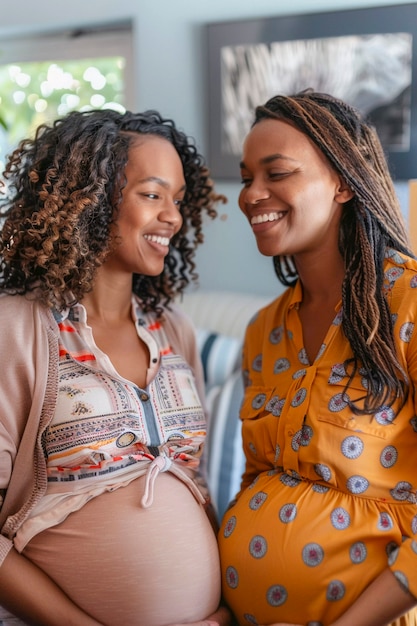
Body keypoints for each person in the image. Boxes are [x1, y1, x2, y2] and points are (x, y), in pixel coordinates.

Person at [0, 107, 230, 626]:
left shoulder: (174, 330)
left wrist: (221, 613)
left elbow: (196, 488)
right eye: (152, 195)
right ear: (90, 199)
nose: (172, 216)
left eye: (177, 200)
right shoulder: (16, 329)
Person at [218, 90, 417, 626]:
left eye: (276, 173)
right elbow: (255, 480)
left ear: (344, 182)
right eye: (245, 178)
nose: (251, 195)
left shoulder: (410, 305)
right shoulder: (264, 328)